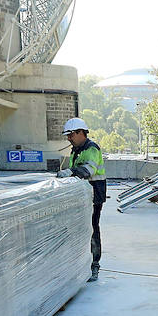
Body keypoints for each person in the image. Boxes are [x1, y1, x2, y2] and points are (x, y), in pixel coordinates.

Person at [56, 117, 105, 282]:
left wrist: (70, 172)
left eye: (71, 135)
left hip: (93, 195)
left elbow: (88, 171)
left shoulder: (91, 149)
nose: (69, 138)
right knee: (81, 230)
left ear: (80, 133)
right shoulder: (76, 150)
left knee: (92, 229)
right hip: (82, 196)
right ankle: (83, 263)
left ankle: (94, 265)